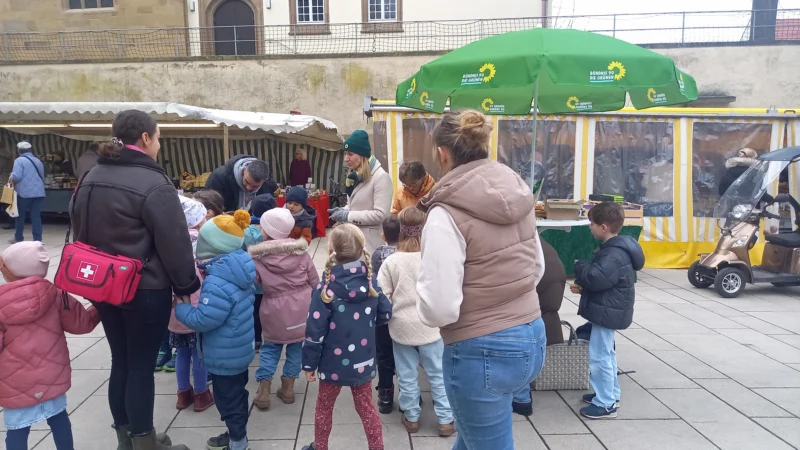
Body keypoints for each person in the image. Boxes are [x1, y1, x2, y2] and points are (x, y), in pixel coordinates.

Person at [416, 110, 547, 450]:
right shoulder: (519, 192)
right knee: (475, 439)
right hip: (532, 336)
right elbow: (536, 269)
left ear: (443, 154)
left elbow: (439, 309)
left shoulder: (446, 212)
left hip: (481, 349)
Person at [72, 110, 200, 450]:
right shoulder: (153, 183)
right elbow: (174, 242)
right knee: (141, 366)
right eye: (158, 138)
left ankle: (126, 438)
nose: (159, 144)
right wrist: (186, 285)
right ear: (145, 138)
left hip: (103, 285)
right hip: (145, 288)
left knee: (122, 360)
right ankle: (145, 443)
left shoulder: (92, 174)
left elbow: (78, 230)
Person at [0, 241, 100, 450]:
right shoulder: (56, 294)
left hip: (15, 382)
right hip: (51, 375)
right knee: (59, 419)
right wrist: (99, 306)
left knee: (17, 430)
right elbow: (82, 323)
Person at [301, 224, 393, 450]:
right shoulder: (371, 283)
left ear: (331, 250)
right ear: (362, 249)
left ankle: (320, 446)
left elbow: (315, 331)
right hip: (363, 359)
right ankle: (377, 447)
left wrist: (309, 364)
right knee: (366, 407)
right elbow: (386, 313)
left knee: (324, 407)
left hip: (331, 362)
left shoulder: (326, 289)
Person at [175, 210, 256, 450]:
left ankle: (238, 442)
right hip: (238, 350)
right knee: (237, 396)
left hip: (224, 356)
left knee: (228, 400)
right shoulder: (239, 269)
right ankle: (235, 434)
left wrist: (182, 309)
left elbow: (205, 320)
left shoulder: (217, 281)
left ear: (210, 247)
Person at [377, 207, 454, 436]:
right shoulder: (432, 259)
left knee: (406, 373)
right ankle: (446, 419)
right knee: (438, 373)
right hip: (430, 325)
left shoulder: (392, 262)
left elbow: (382, 294)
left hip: (401, 327)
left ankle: (411, 417)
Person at [573, 202, 644, 420]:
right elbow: (605, 280)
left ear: (603, 227)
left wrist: (579, 265)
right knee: (607, 354)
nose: (589, 227)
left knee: (600, 356)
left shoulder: (613, 253)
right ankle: (611, 394)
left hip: (607, 312)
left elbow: (596, 277)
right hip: (609, 309)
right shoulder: (616, 249)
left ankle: (605, 404)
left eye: (591, 223)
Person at [250, 208, 319, 410]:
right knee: (297, 347)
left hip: (273, 309)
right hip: (301, 308)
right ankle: (288, 388)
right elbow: (315, 281)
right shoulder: (301, 253)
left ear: (267, 230)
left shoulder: (258, 257)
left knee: (270, 347)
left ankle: (264, 389)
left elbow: (253, 283)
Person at [168, 196, 215, 413]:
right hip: (198, 308)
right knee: (200, 353)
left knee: (181, 353)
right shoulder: (203, 242)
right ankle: (200, 394)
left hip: (176, 309)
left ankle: (182, 394)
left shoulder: (169, 240)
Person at [512, 239, 566, 417]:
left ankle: (521, 398)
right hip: (546, 300)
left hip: (534, 299)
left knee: (519, 350)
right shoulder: (540, 243)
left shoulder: (516, 243)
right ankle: (523, 396)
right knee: (530, 348)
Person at [328, 130, 393, 255]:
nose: (346, 159)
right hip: (354, 242)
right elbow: (354, 205)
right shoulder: (354, 176)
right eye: (345, 154)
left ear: (362, 155)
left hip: (369, 245)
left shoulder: (381, 177)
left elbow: (381, 215)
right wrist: (344, 210)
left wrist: (348, 216)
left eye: (350, 154)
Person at [241, 193, 278, 350]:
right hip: (271, 281)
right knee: (270, 311)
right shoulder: (275, 232)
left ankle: (256, 340)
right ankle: (272, 337)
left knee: (254, 311)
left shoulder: (244, 232)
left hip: (251, 280)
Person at [370, 215, 400, 414]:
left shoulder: (378, 253)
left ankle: (386, 394)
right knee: (407, 356)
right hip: (405, 311)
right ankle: (411, 393)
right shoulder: (414, 254)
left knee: (384, 354)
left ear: (383, 235)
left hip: (382, 311)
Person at [204, 155, 278, 212]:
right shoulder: (219, 177)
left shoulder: (268, 184)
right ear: (244, 170)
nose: (249, 188)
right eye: (247, 181)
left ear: (264, 181)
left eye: (255, 186)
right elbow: (207, 204)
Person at [10, 141, 45, 244]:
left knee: (20, 216)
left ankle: (19, 237)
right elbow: (42, 176)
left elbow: (17, 177)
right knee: (36, 216)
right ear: (30, 150)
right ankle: (37, 239)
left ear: (19, 150)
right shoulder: (38, 161)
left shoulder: (19, 160)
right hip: (38, 193)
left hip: (24, 193)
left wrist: (11, 175)